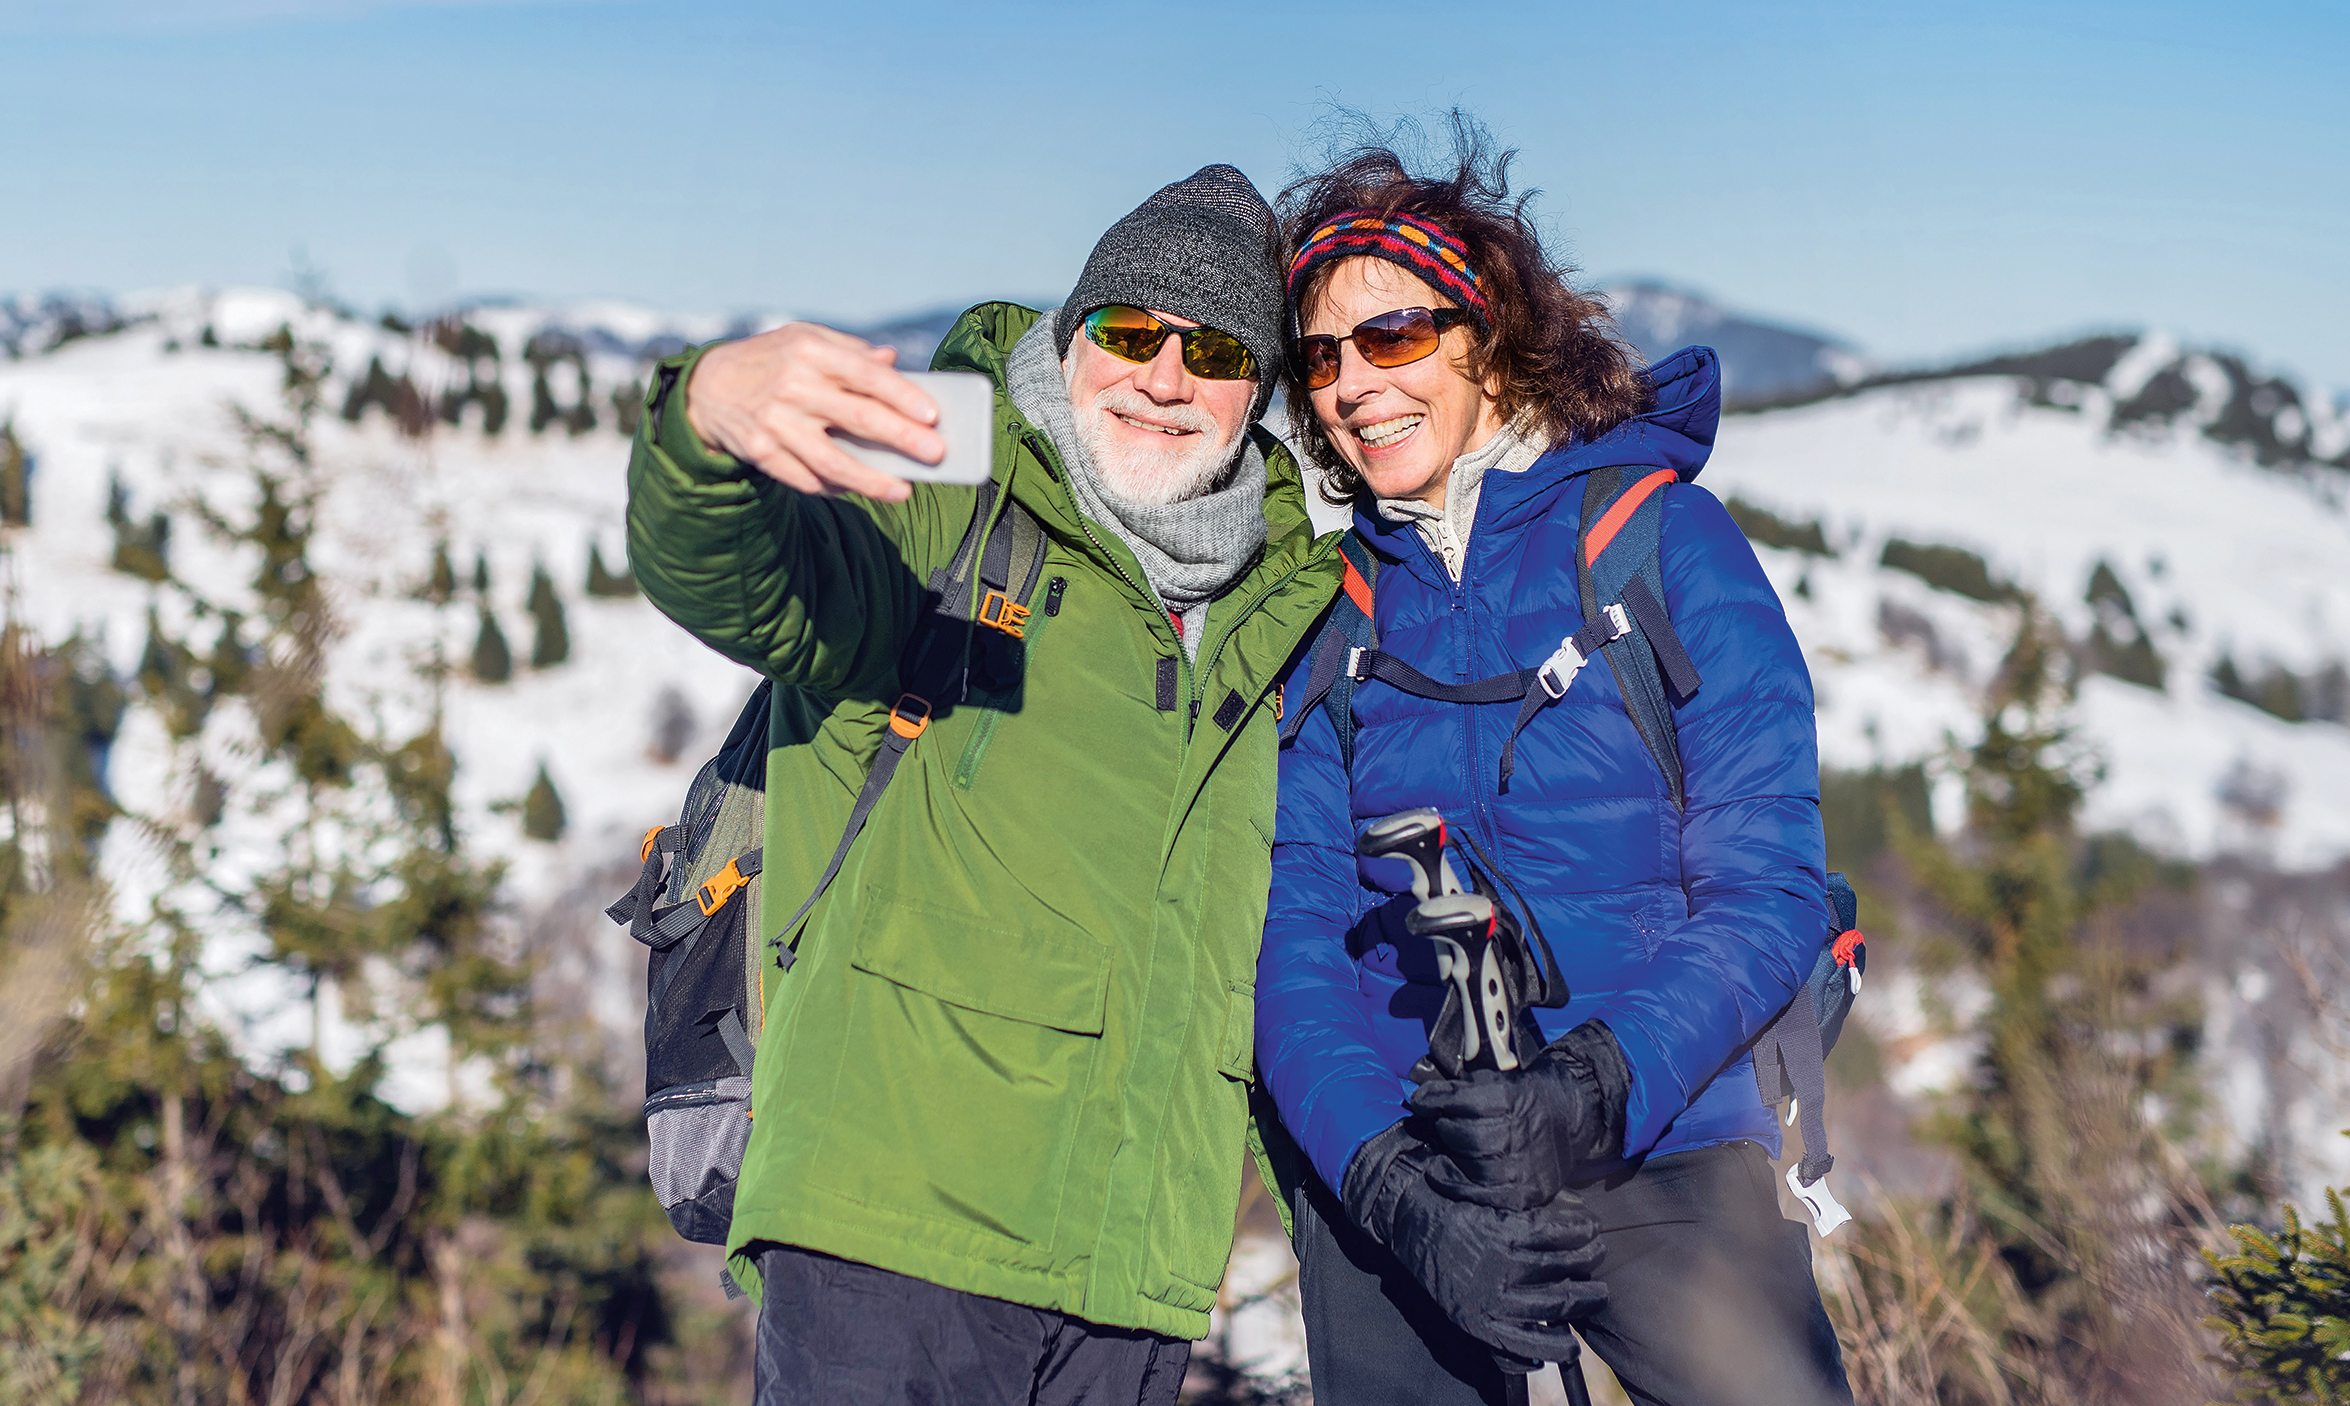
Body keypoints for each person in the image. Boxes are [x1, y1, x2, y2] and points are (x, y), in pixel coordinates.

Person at [626, 164, 1346, 1404]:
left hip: (1132, 1276)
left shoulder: (1282, 604)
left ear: (1257, 394)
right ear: (1072, 342)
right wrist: (703, 419)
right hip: (885, 1238)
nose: (1163, 375)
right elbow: (745, 577)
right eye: (1129, 332)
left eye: (1215, 349)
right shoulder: (946, 509)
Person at [1255, 129, 1857, 1406]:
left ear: (1488, 334)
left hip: (1662, 1132)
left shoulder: (1662, 546)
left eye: (1396, 336)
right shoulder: (1327, 611)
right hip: (1410, 1160)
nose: (1353, 383)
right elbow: (1290, 934)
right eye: (1319, 355)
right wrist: (1386, 1187)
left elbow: (1767, 890)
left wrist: (1596, 1083)